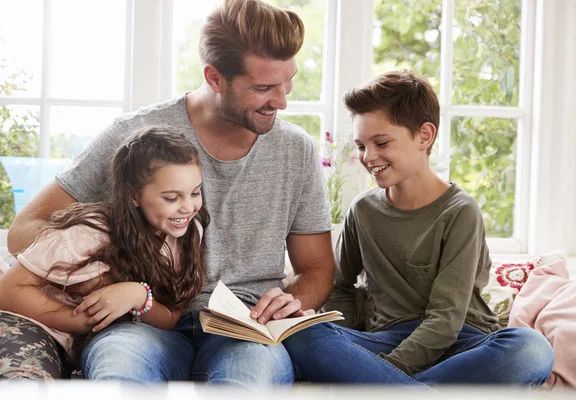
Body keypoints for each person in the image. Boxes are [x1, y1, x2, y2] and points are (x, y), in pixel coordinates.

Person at [6, 0, 334, 385]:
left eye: (287, 81)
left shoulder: (296, 149)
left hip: (245, 328)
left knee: (249, 383)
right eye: (264, 88)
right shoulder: (137, 134)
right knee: (120, 375)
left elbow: (317, 268)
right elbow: (25, 230)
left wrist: (293, 300)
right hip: (141, 322)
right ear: (214, 78)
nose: (282, 101)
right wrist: (106, 278)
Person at [283, 71, 554, 387]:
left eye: (381, 142)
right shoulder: (362, 210)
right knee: (303, 334)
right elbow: (340, 287)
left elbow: (446, 317)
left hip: (461, 342)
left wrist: (381, 373)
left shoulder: (460, 211)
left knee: (532, 349)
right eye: (361, 145)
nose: (368, 157)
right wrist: (353, 347)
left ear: (424, 135)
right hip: (388, 338)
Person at [0, 127, 208, 379]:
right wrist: (78, 321)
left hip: (82, 345)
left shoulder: (187, 234)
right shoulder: (88, 234)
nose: (188, 207)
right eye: (172, 198)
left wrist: (139, 296)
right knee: (24, 381)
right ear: (134, 195)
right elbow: (8, 291)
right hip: (31, 322)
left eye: (195, 193)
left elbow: (171, 317)